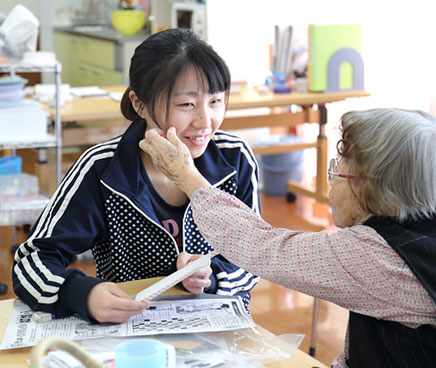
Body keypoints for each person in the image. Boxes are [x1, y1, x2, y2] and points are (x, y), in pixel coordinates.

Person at [139, 108, 436, 367]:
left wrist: (186, 175)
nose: (331, 179)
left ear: (373, 186)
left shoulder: (379, 257)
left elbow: (262, 248)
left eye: (339, 168)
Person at [12, 29, 260, 324]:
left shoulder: (235, 158)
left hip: (217, 329)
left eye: (216, 102)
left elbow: (256, 258)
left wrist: (213, 278)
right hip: (129, 333)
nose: (205, 122)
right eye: (186, 104)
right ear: (139, 103)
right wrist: (81, 293)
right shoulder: (100, 168)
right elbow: (31, 261)